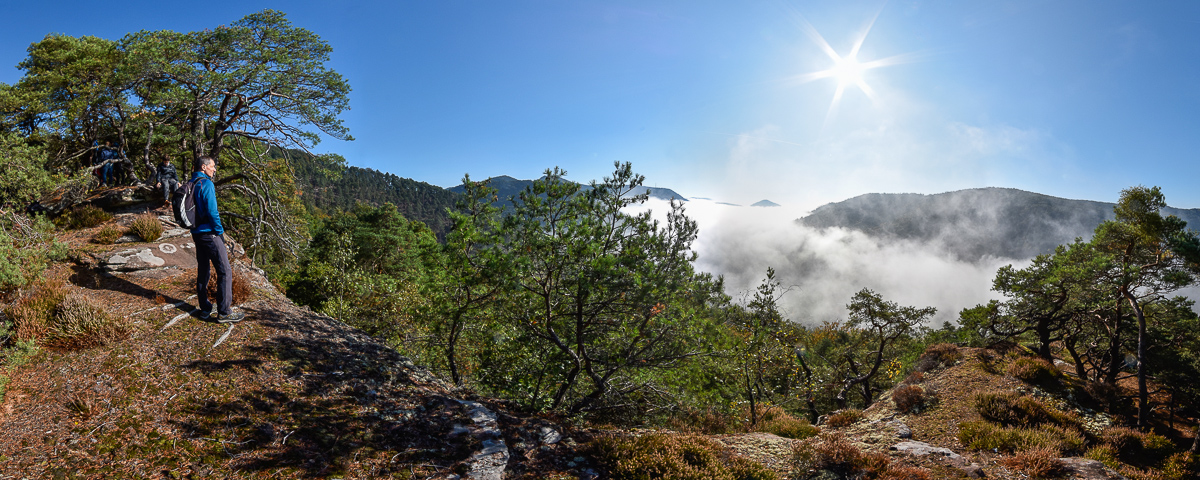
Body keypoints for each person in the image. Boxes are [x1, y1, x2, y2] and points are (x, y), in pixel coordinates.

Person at [190, 156, 244, 323]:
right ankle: (224, 312)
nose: (214, 170)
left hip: (197, 233)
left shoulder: (192, 183)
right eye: (212, 166)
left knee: (203, 270)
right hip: (209, 233)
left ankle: (205, 308)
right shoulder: (206, 184)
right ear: (204, 167)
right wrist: (220, 232)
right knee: (225, 271)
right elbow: (213, 212)